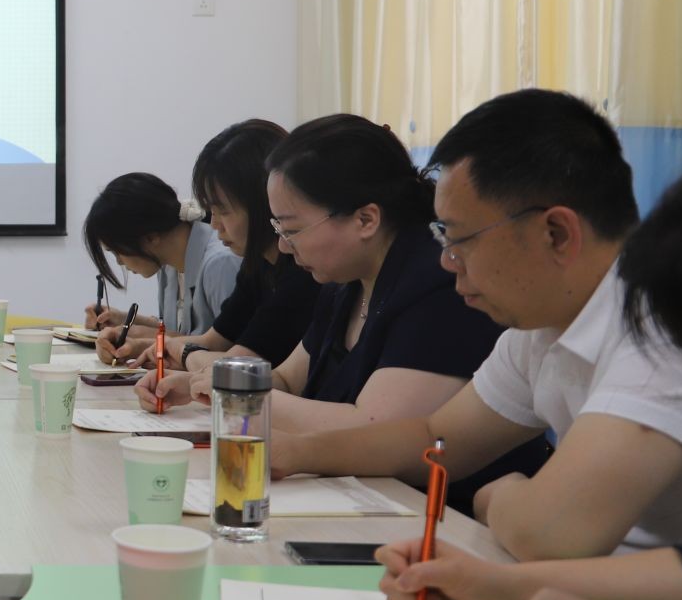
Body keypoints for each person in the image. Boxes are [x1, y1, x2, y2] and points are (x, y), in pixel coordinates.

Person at [369, 152, 682, 600]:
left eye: (458, 238)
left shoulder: (653, 333)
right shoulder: (550, 323)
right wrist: (509, 590)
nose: (448, 262)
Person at [282, 92, 682, 555]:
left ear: (556, 233)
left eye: (459, 239)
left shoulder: (662, 330)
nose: (447, 262)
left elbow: (547, 534)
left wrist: (496, 495)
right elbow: (435, 438)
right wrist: (294, 453)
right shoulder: (540, 327)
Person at [138, 114, 543, 509]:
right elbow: (287, 379)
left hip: (431, 514)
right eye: (278, 230)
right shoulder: (344, 282)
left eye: (291, 230)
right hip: (362, 499)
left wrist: (240, 396)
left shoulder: (439, 283)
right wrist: (206, 384)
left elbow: (379, 430)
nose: (283, 247)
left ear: (366, 219)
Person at [169, 120, 319, 376]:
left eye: (223, 211)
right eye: (211, 211)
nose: (214, 225)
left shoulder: (305, 272)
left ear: (265, 202)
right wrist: (158, 347)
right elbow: (214, 341)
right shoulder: (258, 263)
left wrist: (183, 353)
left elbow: (238, 367)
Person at [80, 172, 240, 362]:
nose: (120, 262)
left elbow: (231, 349)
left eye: (117, 252)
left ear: (150, 237)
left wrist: (141, 342)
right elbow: (179, 331)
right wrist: (125, 320)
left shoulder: (220, 263)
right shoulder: (167, 261)